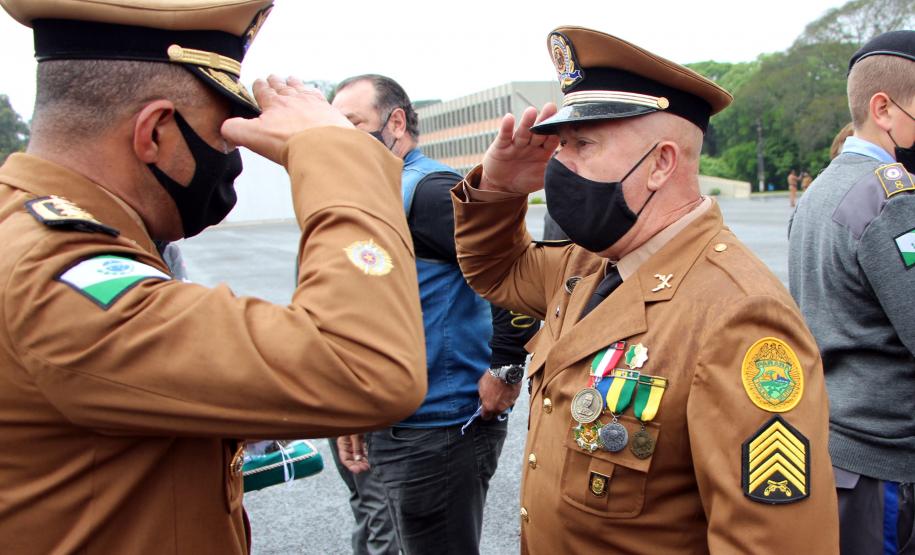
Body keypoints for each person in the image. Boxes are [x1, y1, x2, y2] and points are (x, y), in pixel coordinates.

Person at [0, 2, 427, 553]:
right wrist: (337, 154)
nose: (233, 157)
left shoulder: (42, 236)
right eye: (223, 136)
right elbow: (363, 365)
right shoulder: (53, 275)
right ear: (153, 131)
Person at [450, 26, 838, 553]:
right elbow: (495, 271)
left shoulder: (740, 315)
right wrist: (497, 187)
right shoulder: (589, 264)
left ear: (661, 163)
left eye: (582, 144)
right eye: (560, 145)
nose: (559, 164)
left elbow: (770, 541)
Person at [331, 74, 537, 555]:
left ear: (395, 121)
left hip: (438, 430)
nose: (340, 137)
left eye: (353, 123)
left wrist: (505, 369)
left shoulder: (429, 192)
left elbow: (514, 275)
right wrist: (349, 405)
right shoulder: (366, 193)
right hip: (383, 420)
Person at [788, 30, 915, 555]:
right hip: (883, 463)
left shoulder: (823, 187)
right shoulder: (892, 198)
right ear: (882, 109)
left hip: (836, 446)